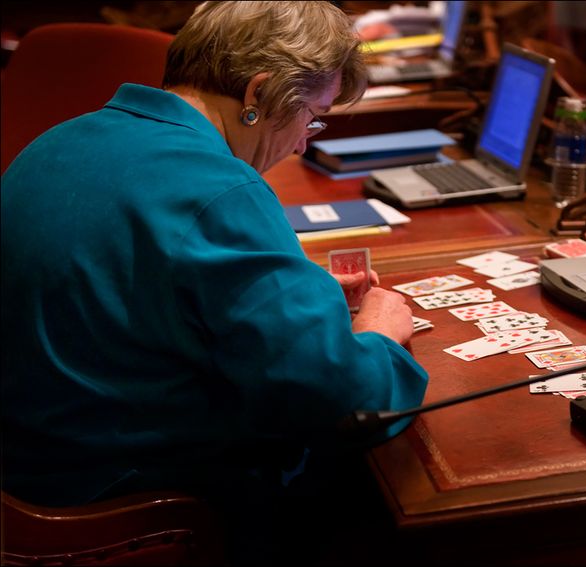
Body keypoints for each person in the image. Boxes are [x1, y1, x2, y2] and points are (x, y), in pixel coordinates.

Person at [0, 1, 428, 562]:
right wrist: (379, 335)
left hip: (27, 471)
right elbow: (337, 402)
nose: (303, 142)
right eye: (311, 116)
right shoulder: (219, 187)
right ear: (259, 94)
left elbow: (141, 293)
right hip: (130, 499)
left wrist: (308, 297)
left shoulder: (58, 140)